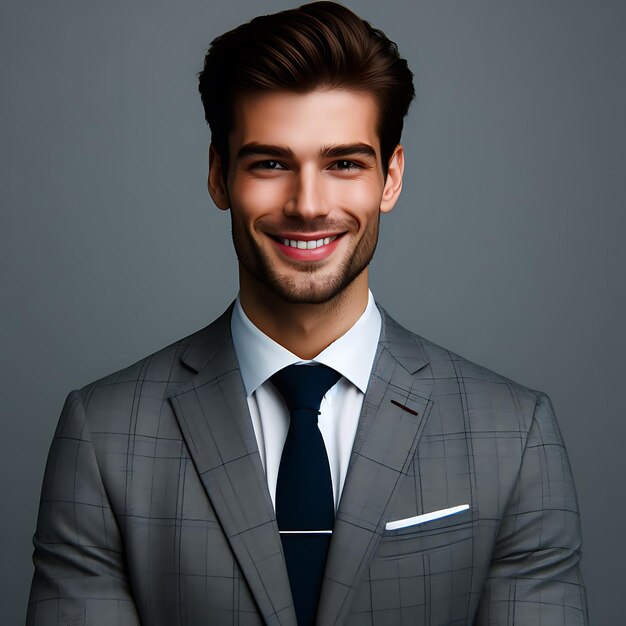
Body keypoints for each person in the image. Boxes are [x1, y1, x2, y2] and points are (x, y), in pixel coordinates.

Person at [26, 2, 588, 625]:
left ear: (391, 178)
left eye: (344, 163)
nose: (307, 204)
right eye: (270, 163)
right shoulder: (104, 436)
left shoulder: (512, 435)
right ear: (218, 176)